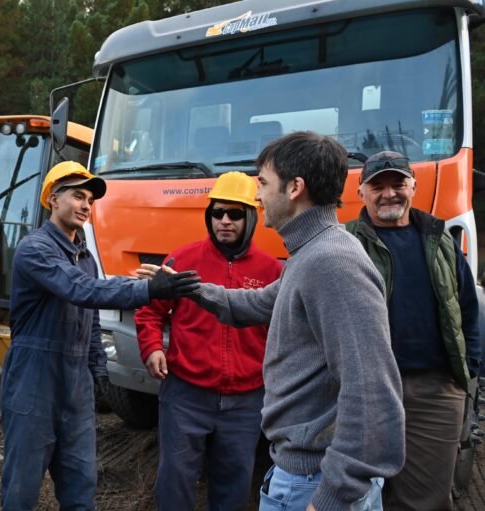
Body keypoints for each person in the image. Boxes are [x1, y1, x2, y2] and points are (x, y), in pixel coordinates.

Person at [184, 132, 405, 511]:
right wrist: (188, 288)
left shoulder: (331, 262)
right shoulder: (310, 254)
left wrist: (331, 497)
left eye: (264, 184)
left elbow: (371, 395)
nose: (257, 196)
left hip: (316, 484)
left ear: (294, 188)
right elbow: (257, 304)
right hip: (300, 475)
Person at [0, 161, 200, 510]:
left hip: (75, 384)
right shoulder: (35, 250)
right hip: (34, 378)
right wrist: (147, 290)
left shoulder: (85, 256)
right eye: (77, 196)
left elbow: (90, 317)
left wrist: (97, 371)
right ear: (53, 199)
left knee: (81, 481)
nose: (85, 206)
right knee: (22, 486)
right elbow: (80, 290)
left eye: (90, 200)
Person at [134, 172, 281, 511]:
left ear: (251, 217)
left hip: (246, 400)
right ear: (209, 216)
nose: (225, 221)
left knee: (234, 483)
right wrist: (153, 347)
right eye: (218, 213)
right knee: (175, 480)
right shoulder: (182, 261)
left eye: (234, 214)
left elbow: (281, 331)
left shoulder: (271, 270)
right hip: (186, 394)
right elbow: (150, 311)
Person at [346, 150, 481, 510]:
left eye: (398, 184)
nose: (389, 193)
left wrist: (467, 372)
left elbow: (467, 308)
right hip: (365, 391)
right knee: (358, 494)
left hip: (435, 391)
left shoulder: (442, 241)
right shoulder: (344, 244)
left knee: (426, 499)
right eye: (378, 186)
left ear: (413, 187)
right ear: (361, 193)